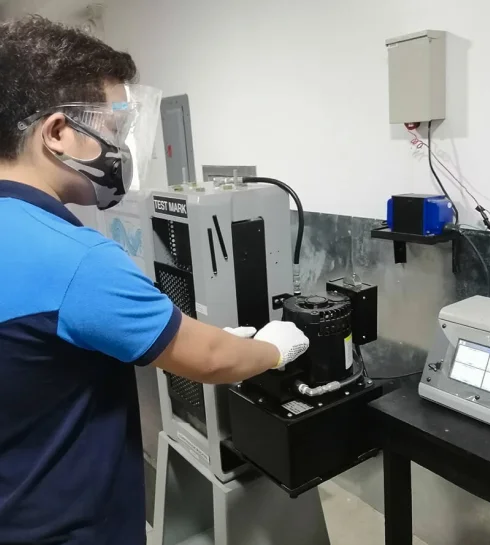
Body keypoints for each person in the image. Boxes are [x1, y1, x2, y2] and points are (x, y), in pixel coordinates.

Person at [0, 16, 310, 545]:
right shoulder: (77, 261)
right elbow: (209, 359)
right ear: (56, 133)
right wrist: (273, 350)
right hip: (70, 528)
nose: (118, 151)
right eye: (111, 132)